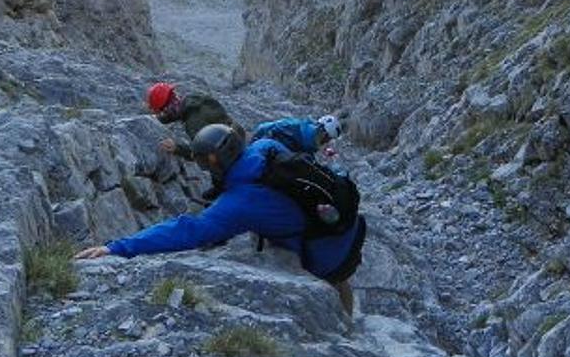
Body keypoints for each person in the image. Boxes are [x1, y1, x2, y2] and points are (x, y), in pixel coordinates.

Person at [75, 124, 368, 313]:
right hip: (348, 227)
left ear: (213, 164)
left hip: (324, 253)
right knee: (342, 280)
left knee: (331, 278)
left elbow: (189, 230)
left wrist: (117, 248)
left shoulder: (238, 204)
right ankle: (351, 319)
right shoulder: (266, 148)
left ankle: (344, 325)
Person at [145, 82, 234, 161]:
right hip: (235, 139)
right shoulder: (194, 100)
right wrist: (158, 119)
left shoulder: (193, 122)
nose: (162, 114)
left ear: (167, 109)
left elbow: (201, 154)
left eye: (162, 112)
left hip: (229, 158)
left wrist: (176, 148)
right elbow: (175, 113)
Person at [251, 114, 343, 158]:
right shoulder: (292, 126)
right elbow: (263, 127)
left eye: (329, 139)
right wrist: (251, 145)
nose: (326, 142)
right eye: (326, 138)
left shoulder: (310, 148)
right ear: (321, 130)